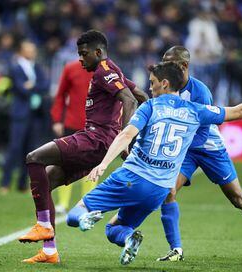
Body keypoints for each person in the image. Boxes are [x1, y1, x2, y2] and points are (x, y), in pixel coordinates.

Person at [65, 61, 242, 265]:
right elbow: (240, 110)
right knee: (115, 228)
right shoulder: (196, 110)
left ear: (165, 83)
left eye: (152, 82)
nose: (149, 87)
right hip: (158, 189)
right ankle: (141, 241)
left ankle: (87, 217)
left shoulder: (151, 106)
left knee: (74, 216)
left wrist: (104, 164)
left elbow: (126, 134)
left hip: (134, 176)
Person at [19, 30, 149, 264]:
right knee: (46, 180)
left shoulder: (104, 71)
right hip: (97, 142)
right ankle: (49, 252)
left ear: (98, 52)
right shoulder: (111, 69)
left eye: (84, 54)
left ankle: (43, 225)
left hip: (95, 139)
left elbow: (128, 100)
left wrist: (126, 137)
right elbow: (139, 94)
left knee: (34, 157)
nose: (80, 59)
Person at [156, 46, 242, 262]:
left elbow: (200, 135)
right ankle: (176, 250)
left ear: (184, 66)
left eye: (169, 62)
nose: (163, 66)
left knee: (239, 200)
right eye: (162, 61)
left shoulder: (200, 93)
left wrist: (171, 149)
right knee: (168, 192)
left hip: (210, 149)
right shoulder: (163, 85)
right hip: (187, 151)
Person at [0, 40, 49, 194]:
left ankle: (22, 183)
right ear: (22, 51)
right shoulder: (15, 67)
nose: (33, 52)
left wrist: (32, 85)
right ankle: (5, 183)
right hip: (20, 114)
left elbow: (46, 85)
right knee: (14, 148)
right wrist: (35, 87)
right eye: (30, 49)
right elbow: (21, 89)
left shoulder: (37, 67)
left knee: (30, 151)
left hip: (35, 114)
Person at [50, 59, 97, 215]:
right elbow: (60, 94)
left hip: (95, 125)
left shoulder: (106, 70)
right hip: (72, 124)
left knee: (91, 166)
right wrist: (57, 119)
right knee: (67, 164)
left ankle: (86, 203)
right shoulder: (70, 68)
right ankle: (62, 204)